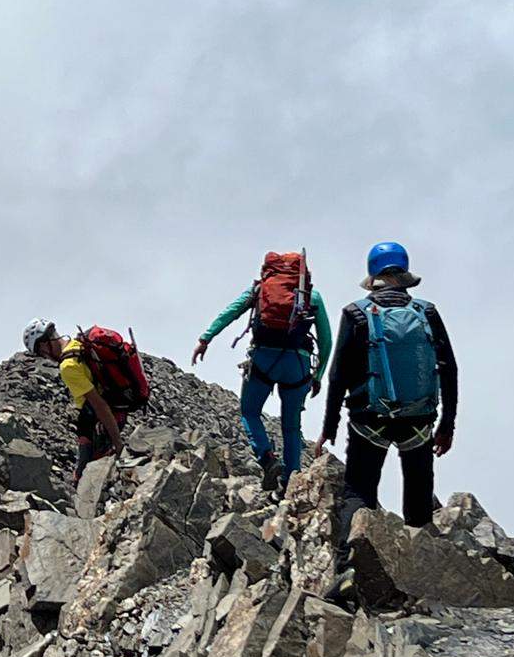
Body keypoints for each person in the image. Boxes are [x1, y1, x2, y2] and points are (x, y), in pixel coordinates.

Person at [312, 241, 458, 603]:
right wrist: (447, 425)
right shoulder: (427, 312)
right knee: (419, 497)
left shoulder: (356, 313)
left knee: (358, 492)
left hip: (369, 421)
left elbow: (338, 376)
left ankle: (348, 570)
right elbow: (449, 369)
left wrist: (329, 426)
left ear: (374, 276)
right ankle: (419, 579)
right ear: (405, 276)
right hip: (420, 421)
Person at [192, 252, 332, 492]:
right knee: (291, 427)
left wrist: (205, 339)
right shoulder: (312, 297)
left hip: (264, 359)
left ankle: (267, 458)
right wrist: (318, 376)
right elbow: (327, 340)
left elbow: (231, 312)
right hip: (298, 365)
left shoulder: (258, 291)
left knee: (249, 411)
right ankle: (291, 482)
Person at [23, 318, 134, 479]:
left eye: (40, 353)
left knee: (87, 478)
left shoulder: (67, 366)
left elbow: (99, 405)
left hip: (101, 424)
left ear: (43, 344)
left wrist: (118, 443)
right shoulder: (78, 345)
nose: (45, 357)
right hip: (101, 417)